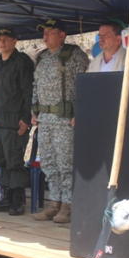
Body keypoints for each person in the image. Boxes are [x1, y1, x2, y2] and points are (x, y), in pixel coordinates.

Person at [32, 18, 90, 223]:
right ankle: (54, 202)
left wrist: (80, 112)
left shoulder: (75, 56)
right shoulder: (41, 57)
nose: (45, 36)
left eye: (50, 31)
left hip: (65, 119)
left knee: (66, 163)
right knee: (48, 162)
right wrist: (34, 109)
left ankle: (68, 204)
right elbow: (35, 85)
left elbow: (85, 86)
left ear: (62, 35)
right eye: (44, 32)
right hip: (45, 119)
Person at [0, 28, 35, 216]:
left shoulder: (22, 61)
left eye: (6, 40)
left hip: (16, 121)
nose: (2, 43)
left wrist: (26, 117)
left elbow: (28, 91)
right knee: (2, 160)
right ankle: (7, 197)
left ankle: (17, 199)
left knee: (15, 160)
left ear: (15, 41)